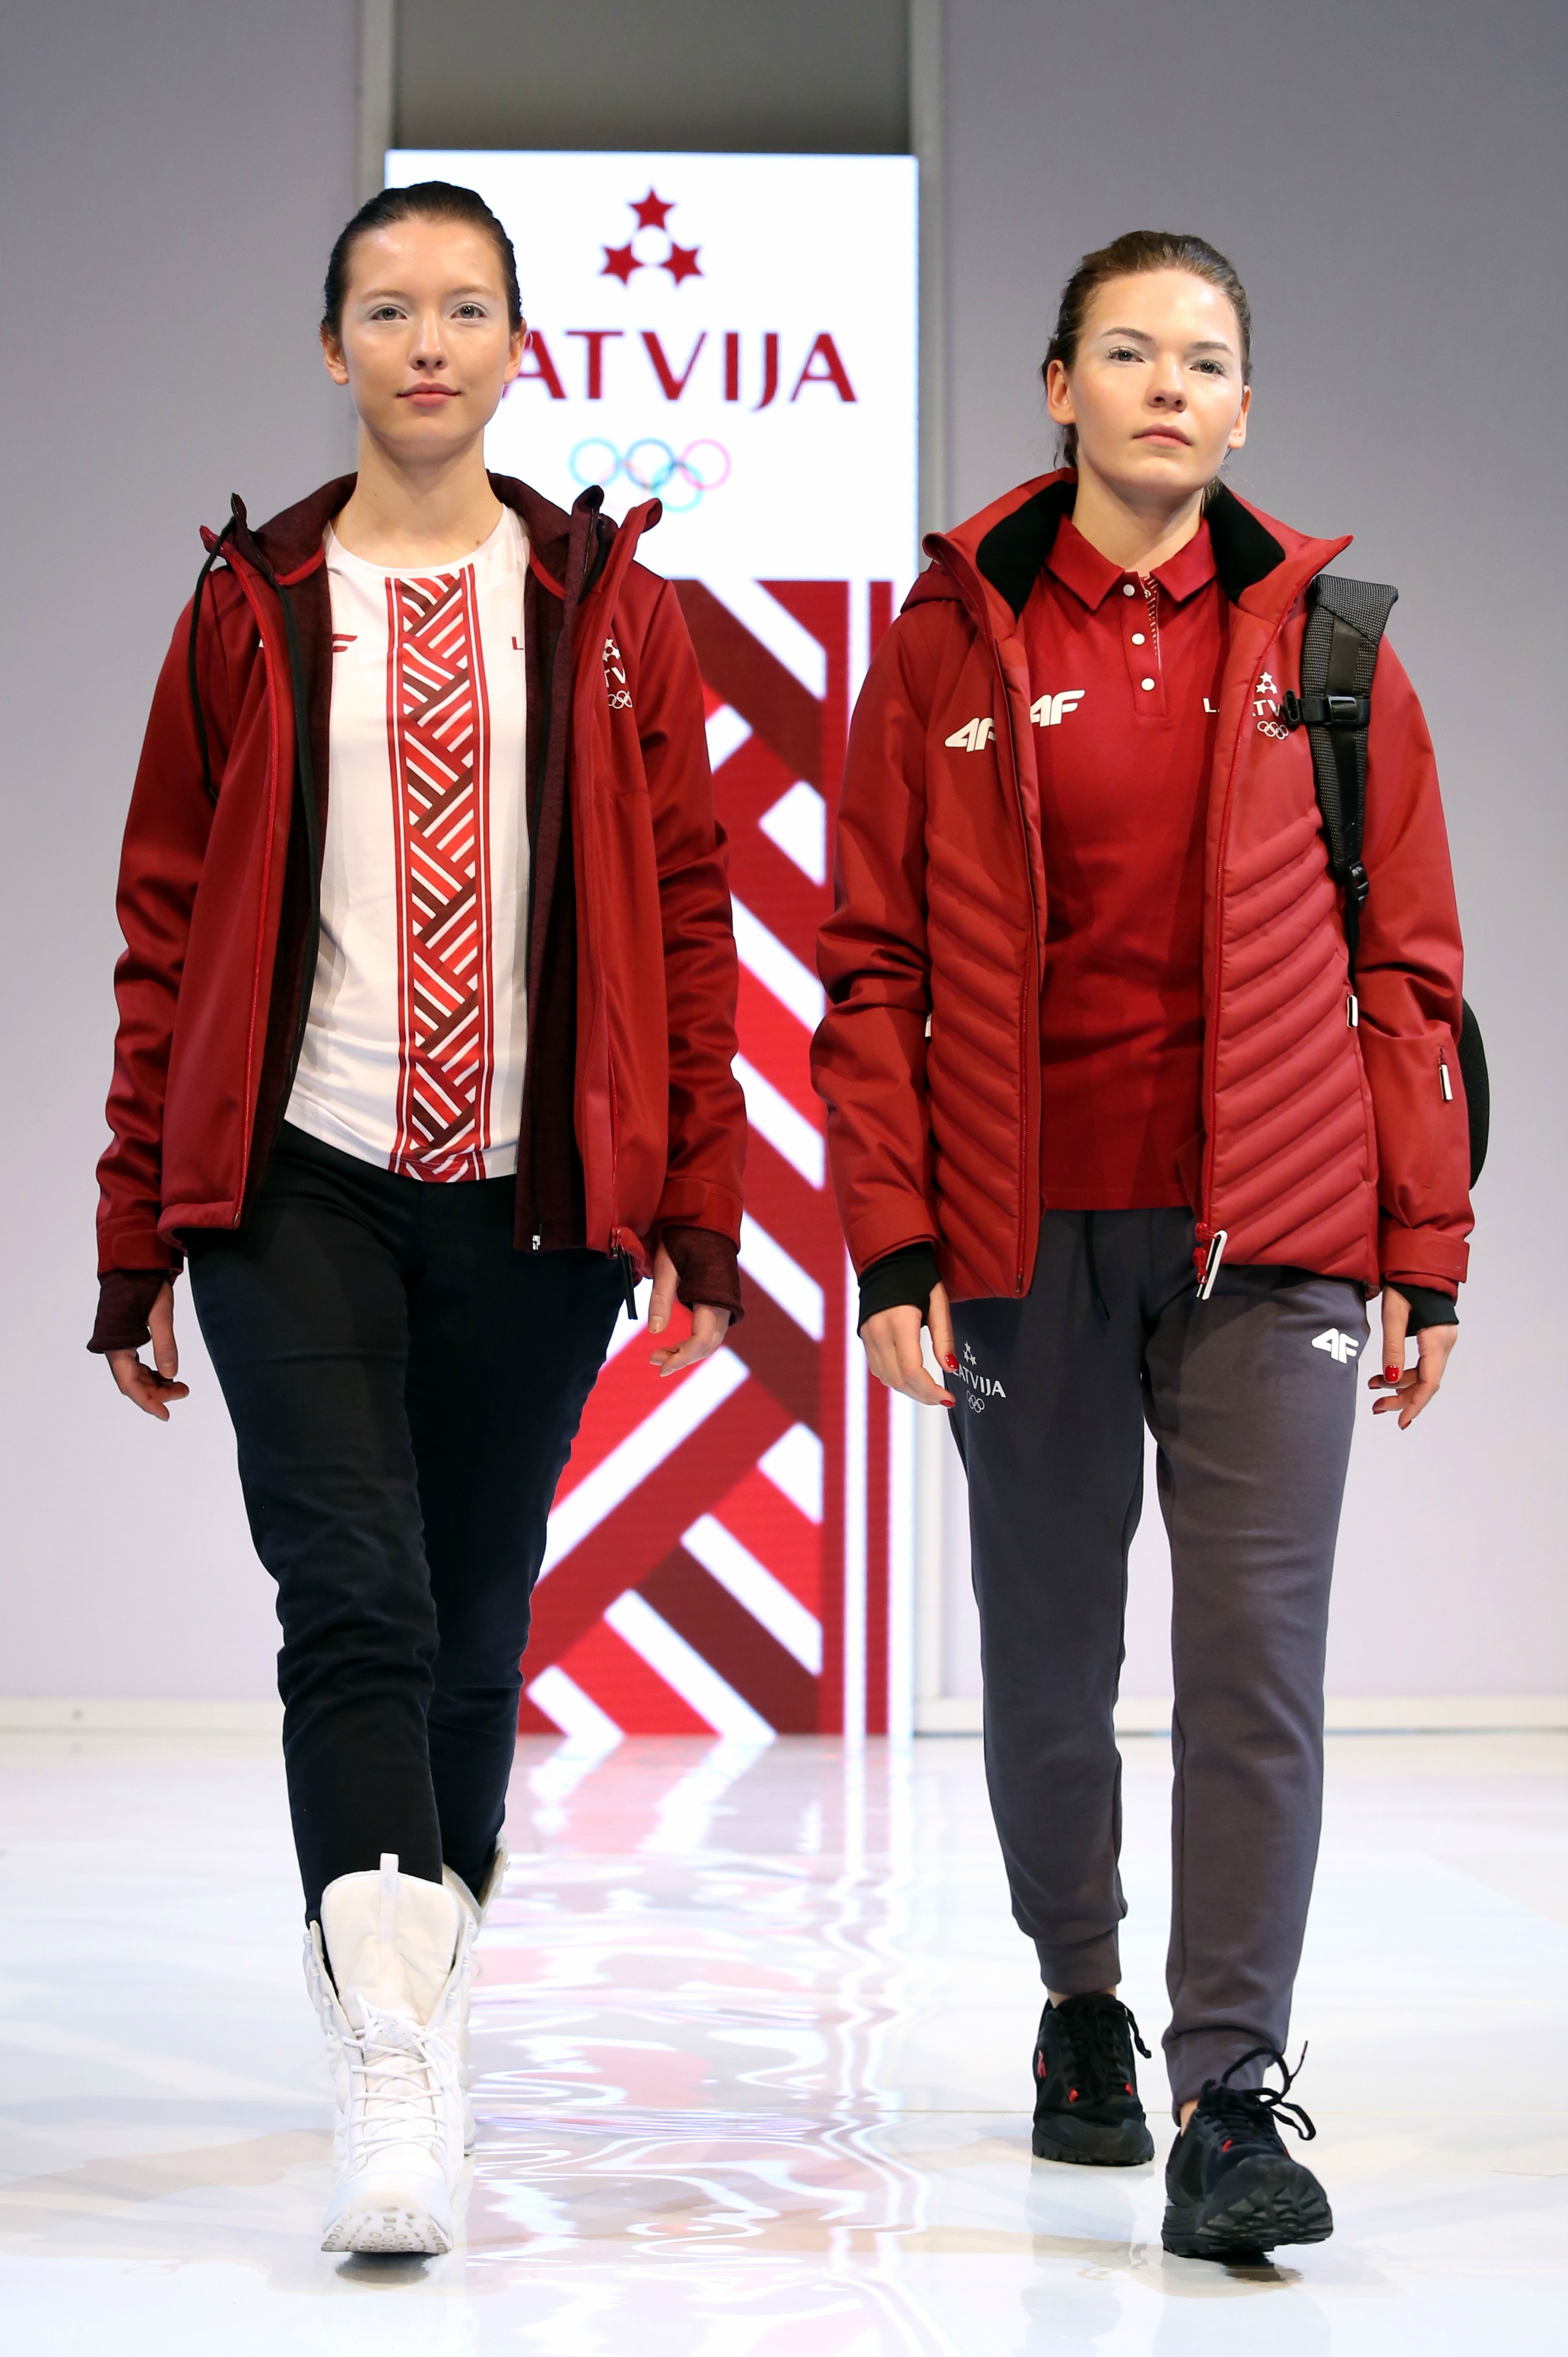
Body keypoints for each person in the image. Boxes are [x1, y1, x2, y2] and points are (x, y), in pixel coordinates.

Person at [89, 181, 746, 2257]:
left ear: (521, 345)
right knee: (353, 1597)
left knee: (471, 1620)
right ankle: (390, 2060)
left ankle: (424, 1995)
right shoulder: (250, 605)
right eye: (388, 309)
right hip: (295, 1177)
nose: (428, 343)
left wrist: (701, 1206)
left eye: (465, 309)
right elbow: (166, 928)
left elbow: (690, 916)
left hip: (536, 1193)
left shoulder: (613, 611)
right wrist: (137, 1226)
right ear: (333, 346)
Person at [813, 231, 1471, 2261]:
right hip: (1022, 1235)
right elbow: (871, 967)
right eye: (1128, 350)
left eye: (1204, 357)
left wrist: (1423, 1247)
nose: (1168, 384)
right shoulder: (948, 645)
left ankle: (1228, 2093)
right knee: (1047, 1655)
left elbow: (1408, 975)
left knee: (1256, 1663)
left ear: (1246, 407)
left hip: (1276, 1234)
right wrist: (895, 1246)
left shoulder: (1334, 653)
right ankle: (1081, 1995)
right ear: (1060, 387)